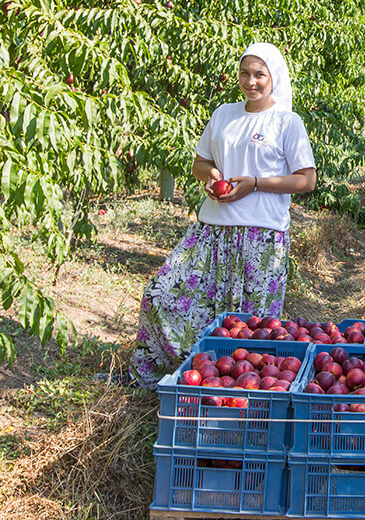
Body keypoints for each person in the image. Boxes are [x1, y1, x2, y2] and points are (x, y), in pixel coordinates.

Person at [131, 43, 317, 387]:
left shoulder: (286, 122)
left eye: (259, 74)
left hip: (261, 237)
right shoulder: (224, 114)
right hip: (212, 230)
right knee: (160, 294)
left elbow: (306, 179)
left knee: (251, 327)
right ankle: (171, 374)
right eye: (245, 73)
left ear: (273, 77)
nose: (251, 81)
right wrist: (212, 177)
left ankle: (240, 394)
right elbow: (200, 163)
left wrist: (256, 184)